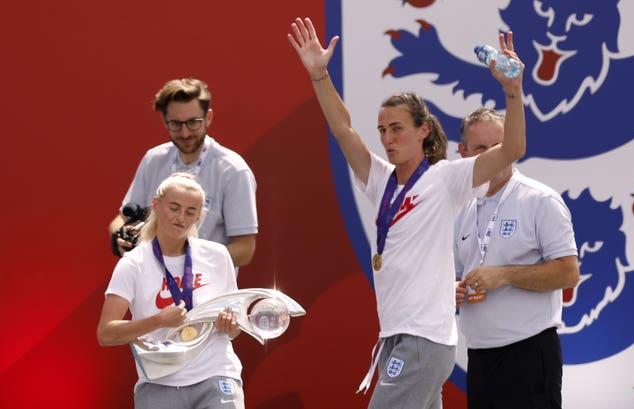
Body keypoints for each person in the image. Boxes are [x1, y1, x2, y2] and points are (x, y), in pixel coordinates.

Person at [288, 17, 526, 409]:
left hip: (423, 338)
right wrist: (319, 76)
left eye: (397, 128)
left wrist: (512, 92)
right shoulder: (381, 181)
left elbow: (512, 148)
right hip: (398, 335)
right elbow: (344, 130)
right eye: (382, 130)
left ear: (423, 132)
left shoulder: (446, 178)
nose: (387, 138)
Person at [454, 108, 579, 409]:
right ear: (463, 153)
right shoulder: (463, 209)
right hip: (480, 356)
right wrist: (453, 290)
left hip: (529, 353)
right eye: (480, 149)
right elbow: (455, 275)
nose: (491, 155)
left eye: (498, 146)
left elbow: (568, 273)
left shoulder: (540, 200)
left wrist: (505, 275)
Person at [97, 173, 245, 409]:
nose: (181, 218)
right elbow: (106, 333)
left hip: (215, 374)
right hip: (159, 381)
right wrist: (157, 321)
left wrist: (231, 325)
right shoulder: (133, 263)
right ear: (156, 205)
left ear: (198, 216)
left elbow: (234, 328)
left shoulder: (217, 255)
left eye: (190, 212)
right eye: (174, 208)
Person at [109, 78, 258, 268]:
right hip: (149, 285)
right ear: (165, 122)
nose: (185, 133)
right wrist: (118, 236)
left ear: (209, 117)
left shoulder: (233, 170)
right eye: (176, 124)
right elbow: (122, 218)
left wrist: (184, 262)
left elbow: (245, 250)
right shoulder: (153, 159)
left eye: (193, 122)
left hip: (206, 290)